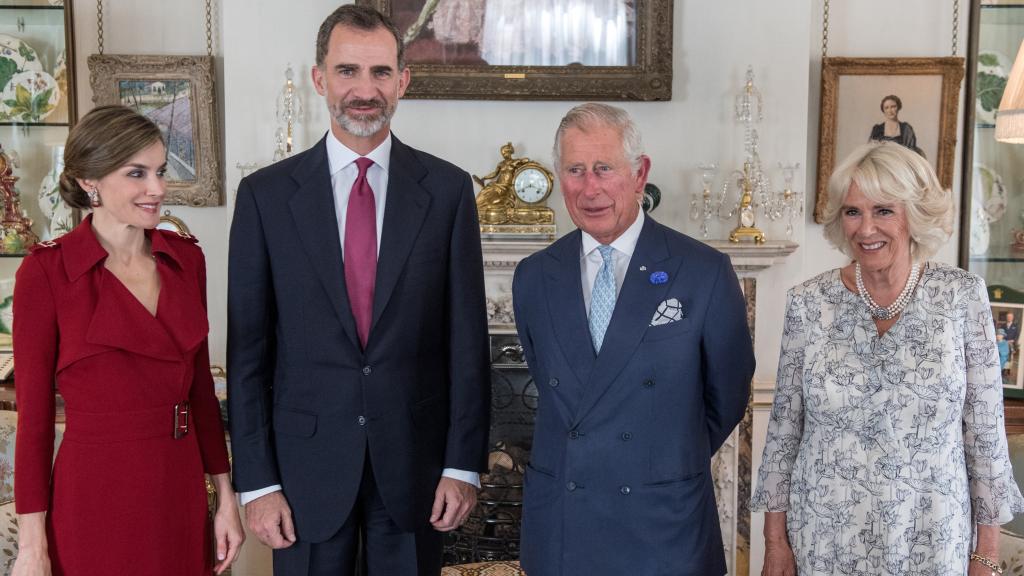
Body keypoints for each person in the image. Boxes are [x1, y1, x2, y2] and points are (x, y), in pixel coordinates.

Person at [227, 5, 491, 576]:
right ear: (321, 79)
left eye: (379, 73)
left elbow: (468, 343)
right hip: (302, 476)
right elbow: (247, 356)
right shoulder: (265, 198)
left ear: (403, 80)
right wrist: (258, 482)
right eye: (348, 71)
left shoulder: (446, 192)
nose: (364, 90)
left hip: (417, 472)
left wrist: (463, 465)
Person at [753, 141, 1024, 575]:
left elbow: (986, 437)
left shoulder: (961, 296)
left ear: (914, 215)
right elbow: (784, 435)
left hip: (931, 535)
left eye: (883, 210)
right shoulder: (809, 303)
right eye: (852, 211)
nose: (865, 229)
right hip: (824, 537)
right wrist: (774, 544)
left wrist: (986, 555)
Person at [511, 102, 754, 576]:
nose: (590, 187)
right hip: (565, 517)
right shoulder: (535, 277)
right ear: (561, 179)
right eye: (576, 170)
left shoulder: (703, 271)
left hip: (663, 519)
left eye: (604, 168)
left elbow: (726, 396)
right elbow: (555, 379)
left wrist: (660, 457)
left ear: (640, 174)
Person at [11, 105, 244, 575]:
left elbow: (200, 391)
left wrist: (226, 500)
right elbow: (33, 422)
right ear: (88, 181)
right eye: (136, 173)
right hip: (95, 497)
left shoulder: (185, 260)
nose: (157, 188)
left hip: (177, 488)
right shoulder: (46, 272)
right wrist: (32, 547)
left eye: (160, 171)